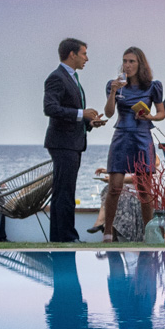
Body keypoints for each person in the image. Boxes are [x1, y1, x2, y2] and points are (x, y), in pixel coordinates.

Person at [92, 47, 165, 240]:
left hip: (142, 136)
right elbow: (109, 113)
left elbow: (161, 113)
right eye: (125, 61)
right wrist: (113, 92)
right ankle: (107, 233)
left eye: (132, 61)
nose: (127, 65)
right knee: (114, 187)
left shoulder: (153, 86)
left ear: (140, 64)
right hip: (122, 136)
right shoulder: (114, 85)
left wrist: (149, 116)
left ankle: (148, 234)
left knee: (144, 190)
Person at [44, 38, 105, 243]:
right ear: (72, 54)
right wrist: (81, 113)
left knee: (65, 191)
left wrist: (89, 122)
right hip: (63, 143)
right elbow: (50, 108)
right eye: (84, 53)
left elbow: (70, 112)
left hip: (73, 142)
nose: (87, 58)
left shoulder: (72, 78)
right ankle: (66, 237)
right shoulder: (57, 77)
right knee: (64, 192)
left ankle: (61, 237)